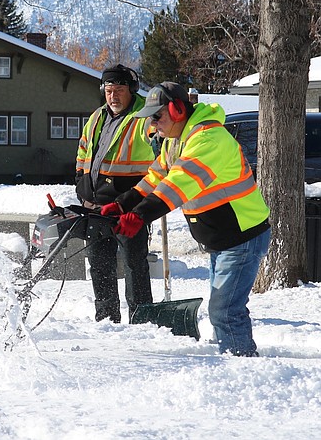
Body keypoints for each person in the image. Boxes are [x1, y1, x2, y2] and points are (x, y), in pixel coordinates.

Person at [104, 82, 270, 356]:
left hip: (243, 237)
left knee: (225, 309)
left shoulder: (208, 140)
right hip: (224, 239)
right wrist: (124, 204)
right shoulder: (176, 140)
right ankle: (231, 354)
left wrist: (140, 216)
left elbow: (178, 186)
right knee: (222, 309)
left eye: (157, 116)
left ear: (177, 110)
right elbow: (158, 176)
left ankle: (242, 364)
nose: (153, 124)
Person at [75, 64, 155, 323]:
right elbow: (83, 151)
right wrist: (81, 183)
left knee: (134, 264)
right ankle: (106, 317)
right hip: (95, 205)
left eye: (119, 90)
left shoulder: (145, 116)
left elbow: (163, 144)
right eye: (109, 90)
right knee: (99, 264)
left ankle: (140, 317)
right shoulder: (97, 116)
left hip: (129, 206)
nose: (113, 96)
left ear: (131, 89)